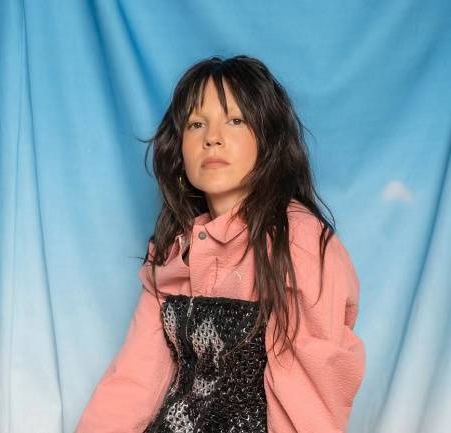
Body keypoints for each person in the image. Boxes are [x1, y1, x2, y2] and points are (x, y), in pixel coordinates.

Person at [74, 54, 366, 433]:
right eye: (196, 124)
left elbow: (311, 401)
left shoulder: (300, 243)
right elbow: (135, 380)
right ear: (179, 149)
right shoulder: (173, 250)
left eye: (235, 120)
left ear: (268, 138)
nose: (212, 137)